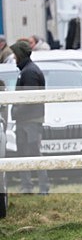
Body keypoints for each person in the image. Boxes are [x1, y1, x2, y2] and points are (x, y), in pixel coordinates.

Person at [10, 39, 49, 195]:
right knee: (23, 153)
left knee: (33, 152)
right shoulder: (26, 70)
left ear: (20, 54)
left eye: (15, 54)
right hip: (26, 120)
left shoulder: (30, 72)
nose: (13, 58)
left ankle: (42, 187)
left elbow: (29, 99)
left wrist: (15, 111)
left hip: (30, 120)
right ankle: (28, 186)